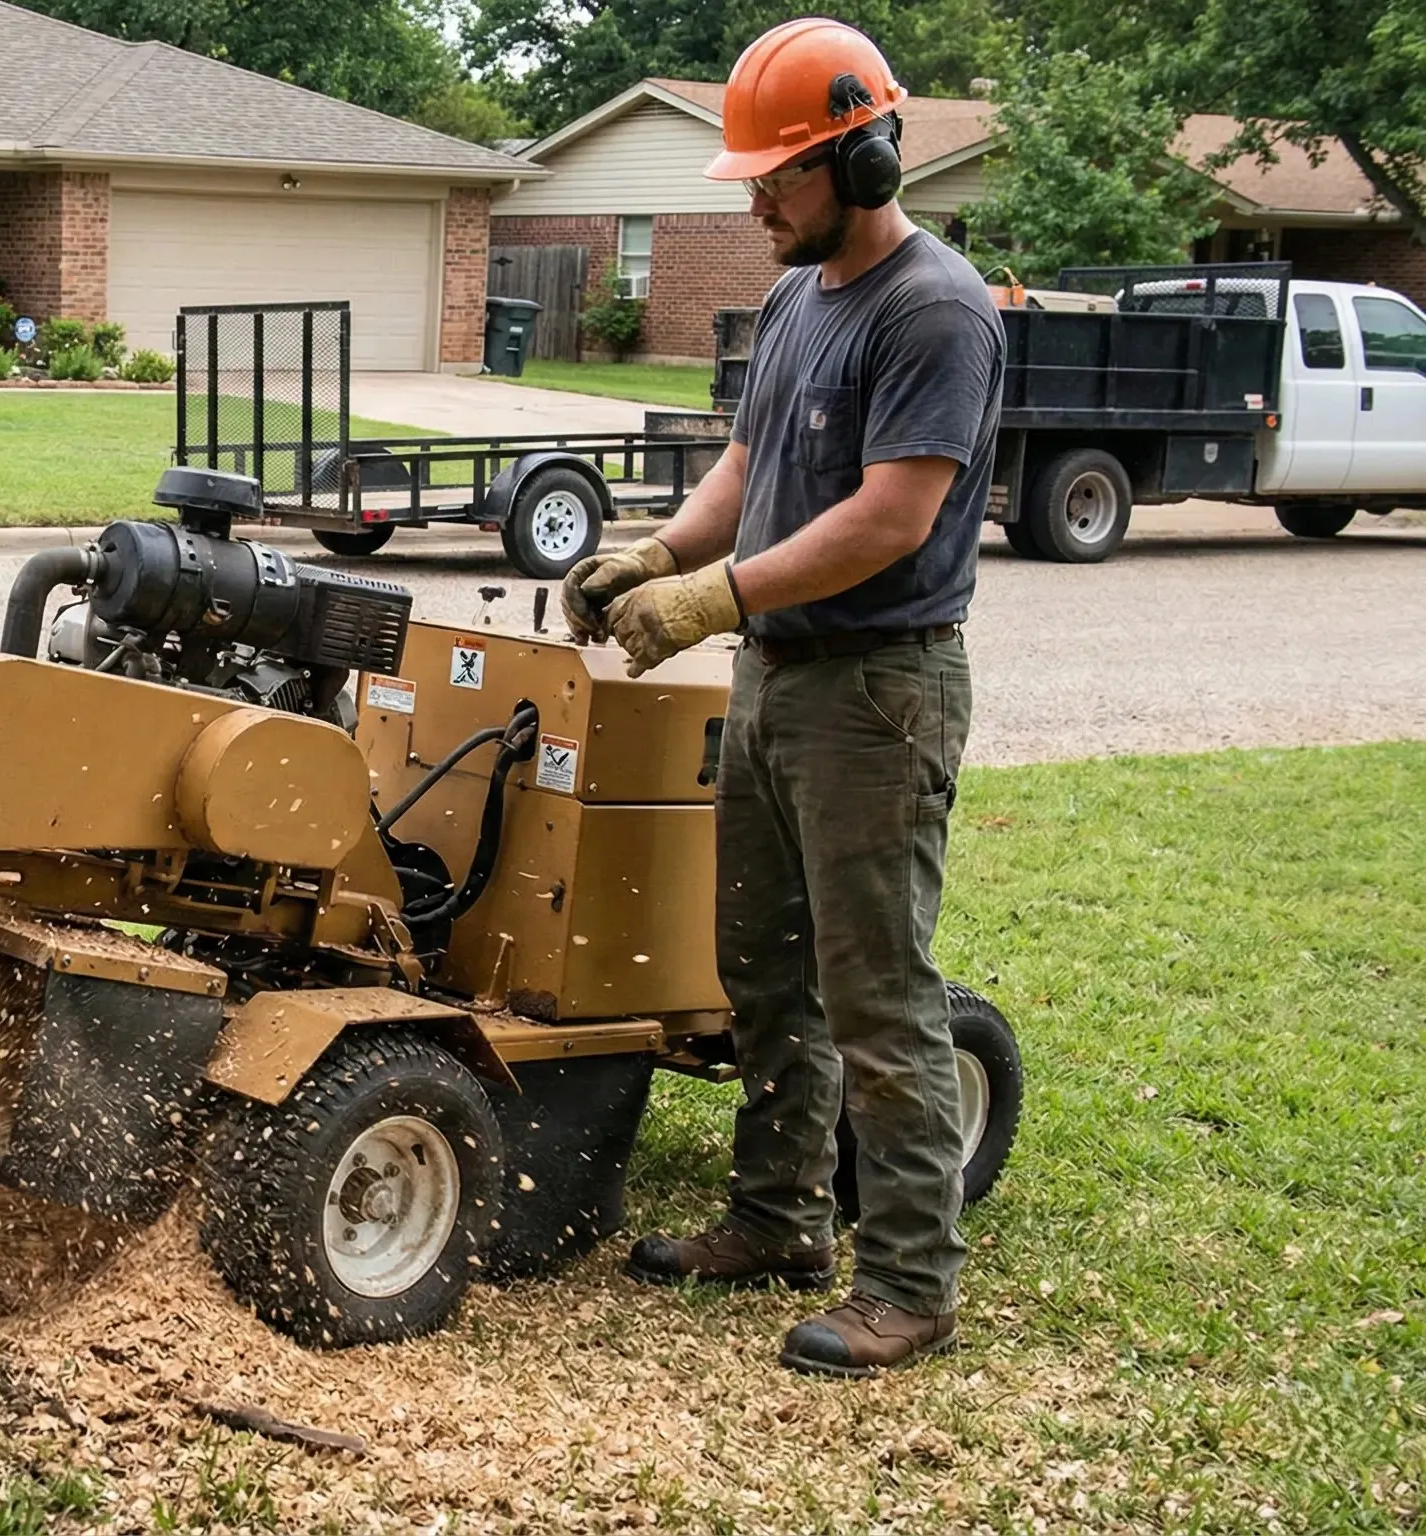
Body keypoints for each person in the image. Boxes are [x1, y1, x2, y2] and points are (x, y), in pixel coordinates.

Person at [560, 16, 1003, 1377]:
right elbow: (749, 467)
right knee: (759, 966)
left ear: (866, 162)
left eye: (780, 178)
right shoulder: (807, 299)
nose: (755, 203)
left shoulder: (936, 310)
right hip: (775, 682)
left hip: (877, 690)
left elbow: (887, 519)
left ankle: (912, 1284)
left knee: (880, 992)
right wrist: (658, 552)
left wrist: (716, 600)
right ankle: (776, 1221)